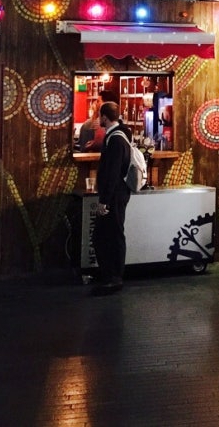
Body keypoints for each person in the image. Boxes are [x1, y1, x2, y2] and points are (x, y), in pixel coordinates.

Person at [91, 101, 131, 295]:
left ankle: (114, 277)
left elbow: (112, 172)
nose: (99, 118)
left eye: (100, 115)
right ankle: (110, 275)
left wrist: (104, 201)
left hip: (114, 195)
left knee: (110, 235)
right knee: (108, 234)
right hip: (116, 194)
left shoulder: (115, 140)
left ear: (105, 117)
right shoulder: (119, 136)